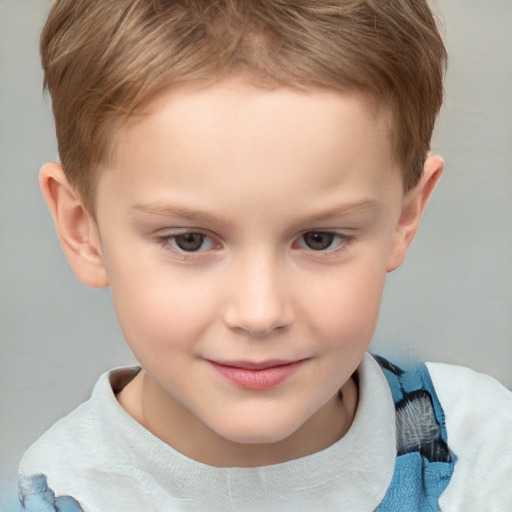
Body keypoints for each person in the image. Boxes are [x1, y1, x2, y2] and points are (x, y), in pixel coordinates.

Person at [17, 0, 512, 510]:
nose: (260, 313)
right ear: (84, 229)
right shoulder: (51, 494)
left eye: (320, 239)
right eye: (189, 240)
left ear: (404, 219)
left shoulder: (483, 456)